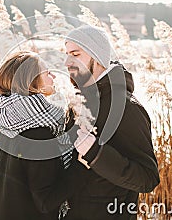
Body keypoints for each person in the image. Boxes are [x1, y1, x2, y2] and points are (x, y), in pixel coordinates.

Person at [63, 25, 160, 219]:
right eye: (66, 54)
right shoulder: (80, 103)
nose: (66, 62)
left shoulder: (126, 107)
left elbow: (147, 178)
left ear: (97, 57)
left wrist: (96, 154)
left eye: (75, 54)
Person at [0, 51, 87, 220]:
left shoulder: (4, 132)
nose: (54, 77)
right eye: (47, 72)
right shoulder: (38, 136)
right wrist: (81, 166)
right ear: (31, 81)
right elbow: (46, 201)